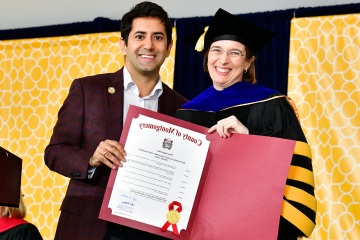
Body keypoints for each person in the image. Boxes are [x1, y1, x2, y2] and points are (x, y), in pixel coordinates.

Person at [44, 2, 187, 240]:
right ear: (123, 44)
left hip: (152, 229)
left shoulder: (182, 106)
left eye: (158, 37)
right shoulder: (87, 89)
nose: (149, 45)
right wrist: (91, 159)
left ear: (169, 47)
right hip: (90, 225)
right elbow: (55, 152)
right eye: (139, 36)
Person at [173, 8, 316, 240]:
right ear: (206, 55)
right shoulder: (185, 113)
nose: (223, 60)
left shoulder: (272, 105)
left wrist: (249, 141)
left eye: (235, 53)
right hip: (199, 229)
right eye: (216, 50)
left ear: (249, 61)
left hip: (255, 225)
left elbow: (295, 168)